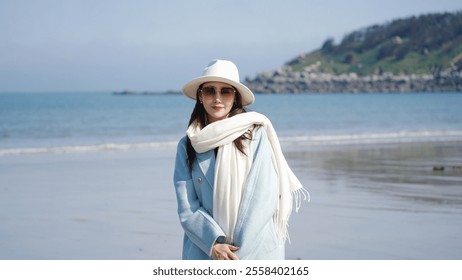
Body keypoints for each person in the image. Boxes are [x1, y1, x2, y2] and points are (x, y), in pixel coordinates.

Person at [173, 59, 308, 260]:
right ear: (200, 96)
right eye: (210, 90)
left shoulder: (256, 133)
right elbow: (187, 207)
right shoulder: (187, 145)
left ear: (235, 97)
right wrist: (214, 244)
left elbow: (263, 196)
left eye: (225, 91)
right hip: (206, 250)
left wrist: (239, 255)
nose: (217, 98)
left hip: (256, 249)